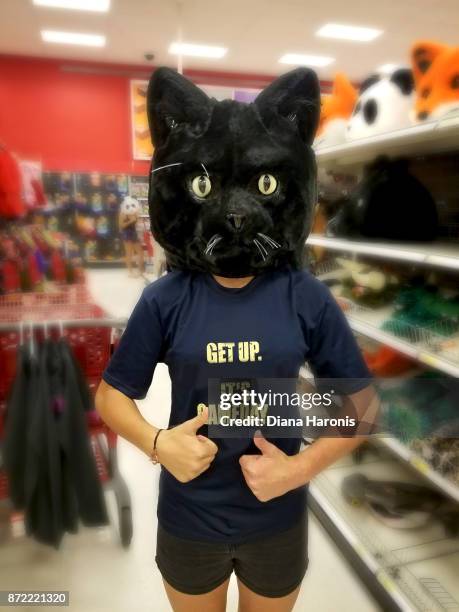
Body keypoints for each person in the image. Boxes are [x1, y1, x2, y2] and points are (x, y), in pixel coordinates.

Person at [96, 67, 375, 612]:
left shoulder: (306, 297)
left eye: (263, 185)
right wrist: (158, 444)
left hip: (276, 519)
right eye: (207, 187)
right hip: (189, 517)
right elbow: (110, 397)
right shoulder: (166, 298)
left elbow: (359, 408)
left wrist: (297, 469)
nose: (237, 213)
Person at [118, 196, 144, 277]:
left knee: (140, 252)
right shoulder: (122, 214)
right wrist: (130, 221)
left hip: (134, 233)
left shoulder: (135, 213)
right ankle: (130, 272)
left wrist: (137, 219)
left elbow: (136, 224)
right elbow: (121, 225)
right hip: (126, 234)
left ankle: (141, 270)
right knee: (129, 253)